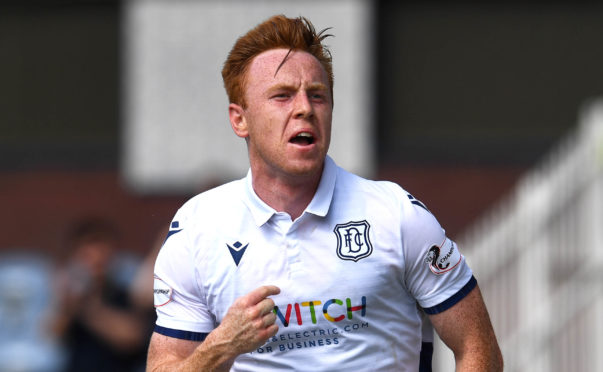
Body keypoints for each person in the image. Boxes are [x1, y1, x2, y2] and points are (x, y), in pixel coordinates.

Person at [147, 14, 503, 371]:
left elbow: (478, 347)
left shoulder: (396, 215)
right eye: (282, 96)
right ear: (240, 119)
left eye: (317, 96)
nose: (304, 108)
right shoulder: (197, 228)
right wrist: (219, 347)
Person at [53, 217, 149, 372]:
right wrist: (67, 304)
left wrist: (85, 308)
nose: (95, 263)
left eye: (101, 258)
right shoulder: (69, 297)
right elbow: (53, 333)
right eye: (87, 257)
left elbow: (131, 338)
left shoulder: (126, 295)